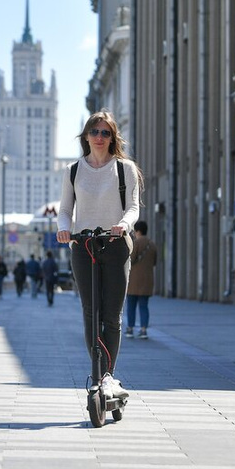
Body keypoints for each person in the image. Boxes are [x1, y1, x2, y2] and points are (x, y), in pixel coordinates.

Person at [57, 110, 141, 401]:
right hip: (83, 246)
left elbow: (133, 207)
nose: (100, 137)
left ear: (113, 137)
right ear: (86, 136)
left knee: (111, 315)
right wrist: (64, 229)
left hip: (116, 244)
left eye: (106, 133)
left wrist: (124, 225)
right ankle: (100, 374)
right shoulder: (73, 170)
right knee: (90, 312)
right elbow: (65, 210)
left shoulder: (125, 168)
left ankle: (108, 376)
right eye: (95, 132)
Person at [125, 220, 157, 340]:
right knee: (144, 306)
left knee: (131, 306)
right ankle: (144, 330)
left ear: (138, 231)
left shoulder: (135, 243)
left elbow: (131, 260)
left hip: (134, 281)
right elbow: (154, 262)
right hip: (147, 281)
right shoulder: (152, 244)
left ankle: (130, 328)